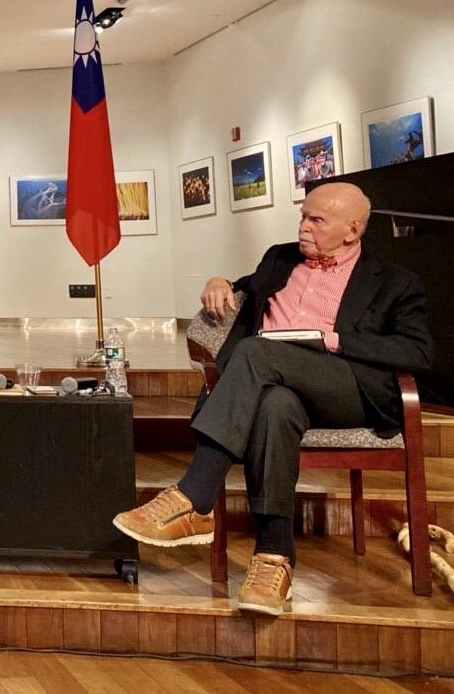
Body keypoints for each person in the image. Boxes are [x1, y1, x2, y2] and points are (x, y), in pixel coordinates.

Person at [114, 182, 431, 616]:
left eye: (316, 220)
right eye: (302, 216)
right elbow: (243, 287)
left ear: (353, 230)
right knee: (274, 405)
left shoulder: (395, 282)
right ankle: (274, 558)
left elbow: (416, 351)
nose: (303, 226)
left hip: (345, 387)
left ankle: (194, 496)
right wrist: (217, 281)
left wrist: (334, 340)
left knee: (256, 352)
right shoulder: (279, 258)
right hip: (275, 387)